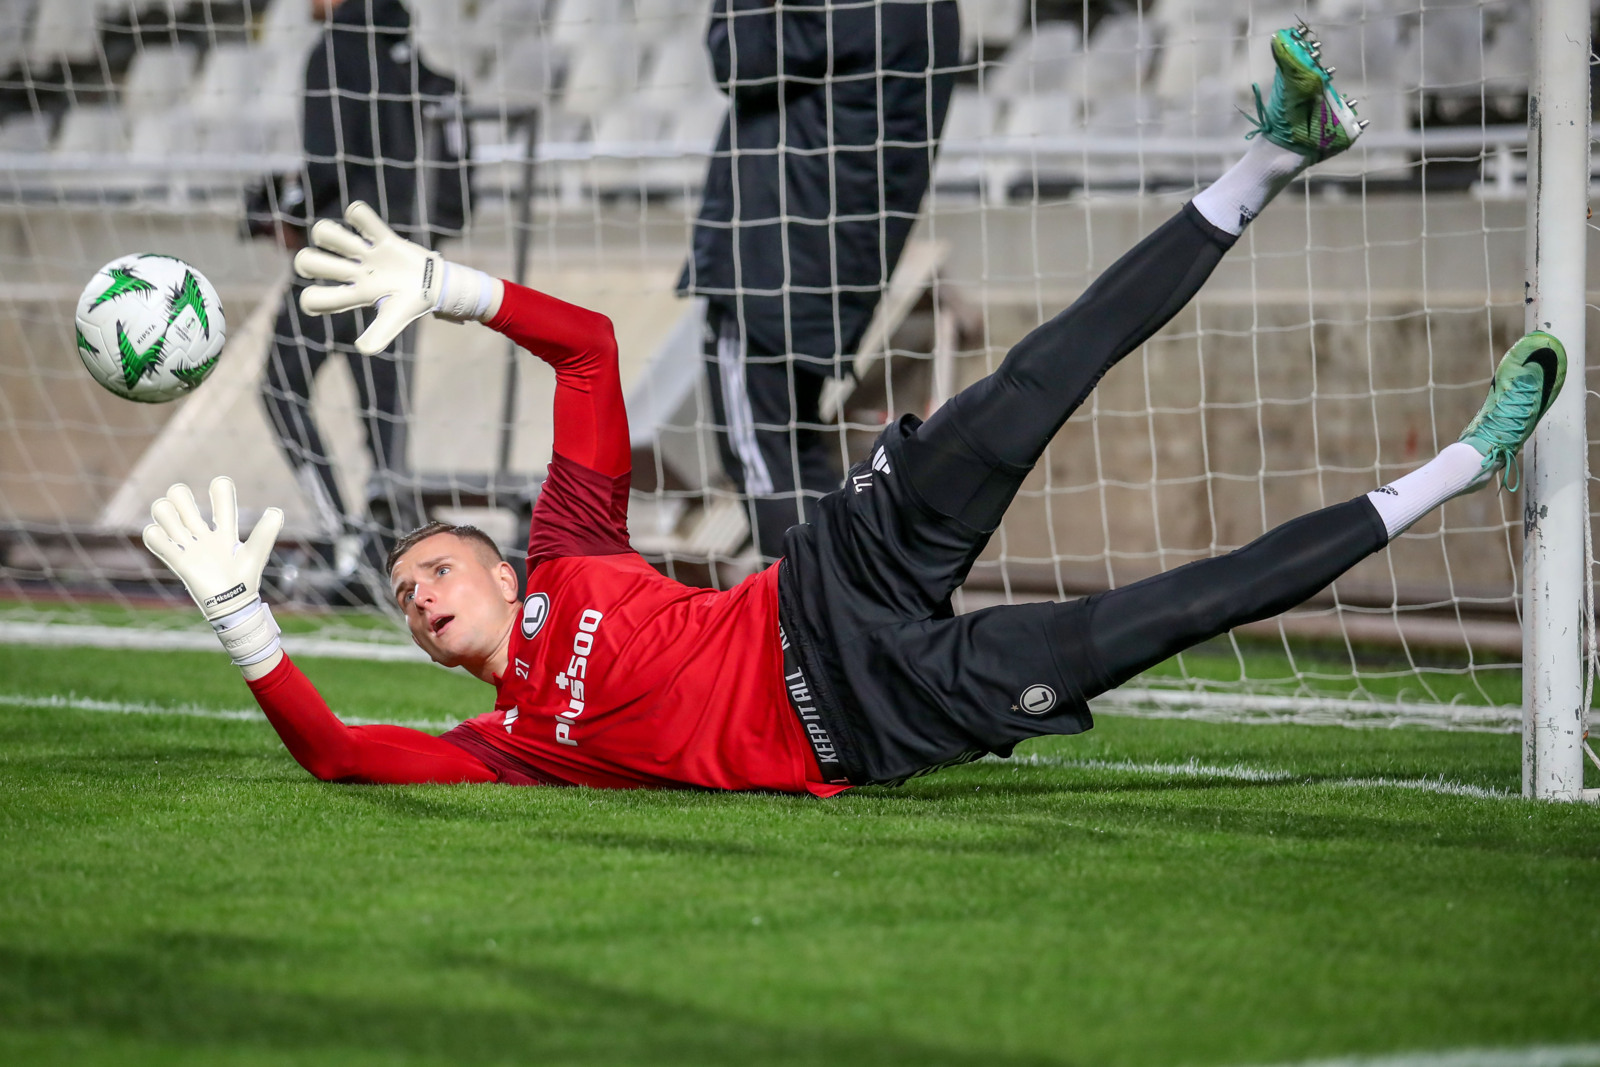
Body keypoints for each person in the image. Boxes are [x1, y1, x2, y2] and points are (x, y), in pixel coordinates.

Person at [144, 28, 1565, 794]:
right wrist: (247, 626)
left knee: (1030, 387)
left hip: (827, 580)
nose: (415, 591)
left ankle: (1267, 154)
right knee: (1154, 615)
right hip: (868, 719)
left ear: (498, 556)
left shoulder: (572, 547)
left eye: (430, 564)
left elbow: (584, 352)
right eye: (401, 595)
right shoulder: (503, 745)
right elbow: (338, 751)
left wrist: (450, 283)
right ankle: (1459, 464)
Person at [678, 0, 960, 562]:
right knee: (793, 445)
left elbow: (736, 54)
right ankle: (848, 611)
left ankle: (817, 627)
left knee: (759, 453)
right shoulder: (932, 10)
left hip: (772, 257)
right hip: (835, 258)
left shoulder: (846, 9)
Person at [256, 0, 437, 601]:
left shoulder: (335, 49)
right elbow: (452, 163)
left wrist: (287, 208)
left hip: (340, 255)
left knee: (281, 387)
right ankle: (395, 559)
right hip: (401, 262)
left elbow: (326, 161)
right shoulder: (411, 59)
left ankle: (343, 541)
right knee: (382, 417)